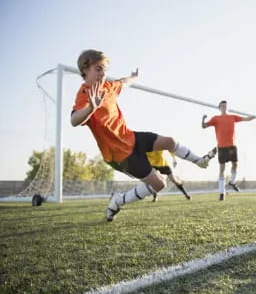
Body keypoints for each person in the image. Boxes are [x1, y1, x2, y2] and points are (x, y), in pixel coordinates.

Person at [71, 49, 216, 221]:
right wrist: (91, 108)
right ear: (85, 69)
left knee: (169, 141)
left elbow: (123, 82)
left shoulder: (108, 87)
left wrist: (134, 77)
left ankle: (199, 161)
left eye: (105, 69)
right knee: (159, 184)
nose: (103, 74)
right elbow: (74, 120)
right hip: (119, 155)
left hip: (131, 137)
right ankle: (118, 201)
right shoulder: (84, 94)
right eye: (98, 69)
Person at [202, 100, 256, 200]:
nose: (224, 107)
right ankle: (222, 193)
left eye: (225, 106)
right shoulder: (215, 118)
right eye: (222, 106)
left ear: (228, 107)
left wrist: (252, 118)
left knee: (235, 164)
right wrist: (203, 119)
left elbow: (245, 119)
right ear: (219, 108)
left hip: (232, 145)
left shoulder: (232, 117)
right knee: (222, 169)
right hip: (222, 147)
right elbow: (204, 126)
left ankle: (232, 182)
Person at [147, 150, 213, 201]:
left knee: (174, 180)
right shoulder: (143, 149)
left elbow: (170, 149)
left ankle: (186, 194)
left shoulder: (158, 145)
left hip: (163, 165)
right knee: (152, 180)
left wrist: (174, 159)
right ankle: (155, 196)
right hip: (152, 166)